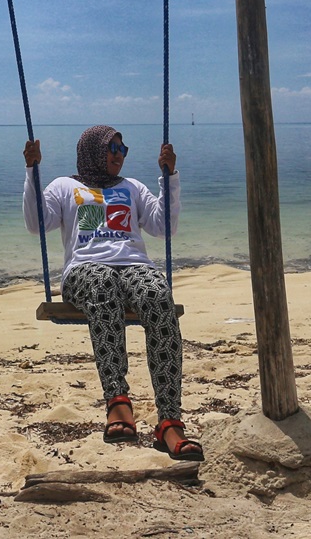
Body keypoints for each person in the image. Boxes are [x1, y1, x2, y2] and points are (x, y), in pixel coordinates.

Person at [22, 124, 203, 461]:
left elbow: (165, 227)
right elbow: (36, 223)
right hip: (84, 270)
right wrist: (32, 171)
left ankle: (169, 420)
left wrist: (170, 177)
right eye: (113, 149)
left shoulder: (133, 187)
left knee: (157, 296)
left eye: (123, 150)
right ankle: (118, 401)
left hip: (134, 266)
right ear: (93, 151)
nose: (120, 156)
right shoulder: (65, 186)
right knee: (103, 285)